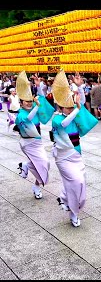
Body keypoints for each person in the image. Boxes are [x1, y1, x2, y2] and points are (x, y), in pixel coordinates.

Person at [50, 70, 99, 227]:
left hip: (76, 156)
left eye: (72, 107)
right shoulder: (57, 120)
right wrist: (76, 109)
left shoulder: (74, 114)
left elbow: (81, 104)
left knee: (80, 184)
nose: (70, 109)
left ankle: (65, 198)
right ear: (60, 106)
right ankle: (74, 212)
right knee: (76, 182)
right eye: (67, 107)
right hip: (63, 158)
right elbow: (65, 123)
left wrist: (78, 87)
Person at [14, 70, 55, 199]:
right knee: (42, 164)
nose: (29, 103)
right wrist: (36, 107)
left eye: (30, 101)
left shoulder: (33, 108)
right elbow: (28, 120)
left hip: (38, 142)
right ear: (21, 102)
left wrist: (38, 86)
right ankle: (36, 184)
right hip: (27, 143)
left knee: (45, 164)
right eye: (26, 101)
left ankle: (33, 179)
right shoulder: (20, 115)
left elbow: (42, 101)